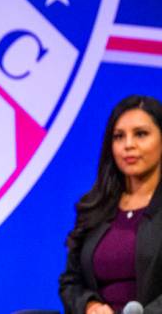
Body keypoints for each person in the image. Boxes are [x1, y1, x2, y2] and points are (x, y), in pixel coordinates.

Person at [59, 94, 162, 314]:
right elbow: (71, 281)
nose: (128, 145)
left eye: (141, 134)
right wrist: (89, 305)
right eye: (118, 136)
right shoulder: (95, 206)